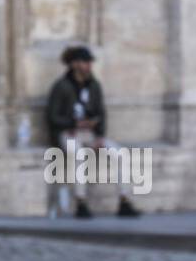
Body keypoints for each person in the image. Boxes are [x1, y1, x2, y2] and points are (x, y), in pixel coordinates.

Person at [46, 45, 141, 219]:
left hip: (90, 134)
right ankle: (81, 202)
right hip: (69, 133)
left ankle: (124, 201)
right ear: (74, 64)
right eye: (85, 62)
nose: (89, 66)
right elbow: (52, 116)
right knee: (79, 155)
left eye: (89, 62)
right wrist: (73, 124)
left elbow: (101, 113)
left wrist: (98, 135)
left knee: (120, 153)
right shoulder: (61, 86)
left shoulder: (94, 85)